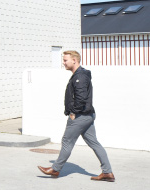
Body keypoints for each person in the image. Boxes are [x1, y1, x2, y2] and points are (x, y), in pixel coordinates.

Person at [38, 50, 115, 181]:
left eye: (65, 60)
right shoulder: (80, 75)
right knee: (94, 143)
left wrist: (73, 112)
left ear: (74, 60)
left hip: (80, 116)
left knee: (67, 141)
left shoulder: (80, 76)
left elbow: (81, 98)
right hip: (87, 115)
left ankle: (55, 169)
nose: (63, 63)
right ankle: (107, 173)